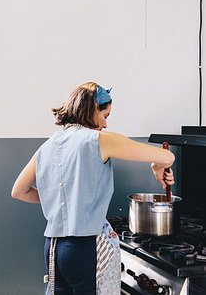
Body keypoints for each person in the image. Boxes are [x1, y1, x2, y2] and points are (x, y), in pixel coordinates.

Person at [11, 82, 175, 295]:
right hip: (85, 247)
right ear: (92, 110)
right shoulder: (99, 140)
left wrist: (63, 198)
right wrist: (156, 166)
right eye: (105, 115)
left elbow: (19, 191)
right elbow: (167, 156)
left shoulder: (48, 145)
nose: (105, 124)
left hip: (53, 248)